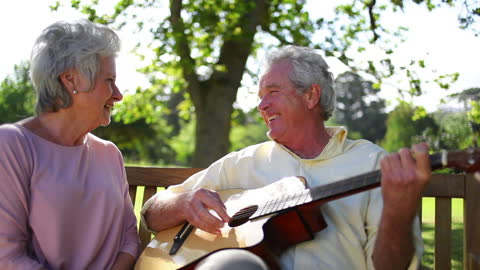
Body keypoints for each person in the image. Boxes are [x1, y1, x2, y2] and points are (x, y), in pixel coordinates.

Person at [141, 46, 430, 269]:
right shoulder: (243, 162)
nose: (261, 105)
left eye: (273, 92)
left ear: (311, 96)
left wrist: (400, 211)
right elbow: (152, 213)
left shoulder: (371, 163)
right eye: (259, 95)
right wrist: (183, 202)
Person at [0, 20, 140, 269]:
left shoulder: (109, 154)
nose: (118, 94)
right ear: (71, 80)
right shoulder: (12, 145)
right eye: (109, 80)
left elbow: (129, 238)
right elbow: (7, 257)